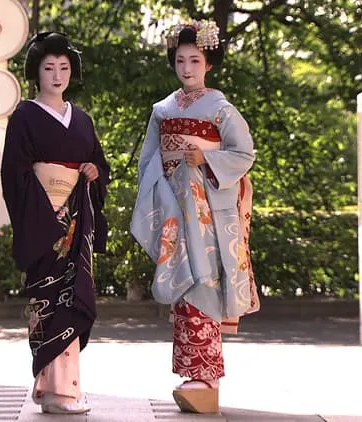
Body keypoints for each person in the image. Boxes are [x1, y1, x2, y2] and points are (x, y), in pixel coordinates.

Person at [130, 20, 260, 414]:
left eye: (195, 60)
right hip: (173, 202)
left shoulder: (221, 109)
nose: (187, 68)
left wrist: (205, 157)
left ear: (208, 64)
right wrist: (163, 189)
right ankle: (194, 375)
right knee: (184, 281)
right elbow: (148, 161)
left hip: (207, 208)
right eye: (181, 60)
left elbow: (244, 154)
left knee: (205, 280)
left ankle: (207, 378)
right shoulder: (162, 110)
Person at [1, 32, 110, 415]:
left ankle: (63, 390)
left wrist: (94, 172)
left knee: (72, 300)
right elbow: (14, 174)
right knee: (47, 301)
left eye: (64, 67)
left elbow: (99, 165)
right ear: (36, 72)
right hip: (42, 224)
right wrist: (45, 209)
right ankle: (53, 389)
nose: (57, 75)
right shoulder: (24, 116)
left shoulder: (82, 119)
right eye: (49, 68)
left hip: (76, 222)